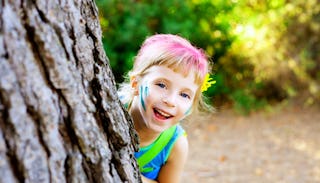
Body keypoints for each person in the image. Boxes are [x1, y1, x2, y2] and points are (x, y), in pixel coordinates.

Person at [118, 34, 214, 183]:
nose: (171, 101)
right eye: (161, 85)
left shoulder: (175, 145)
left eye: (184, 95)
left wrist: (131, 176)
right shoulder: (111, 110)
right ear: (135, 84)